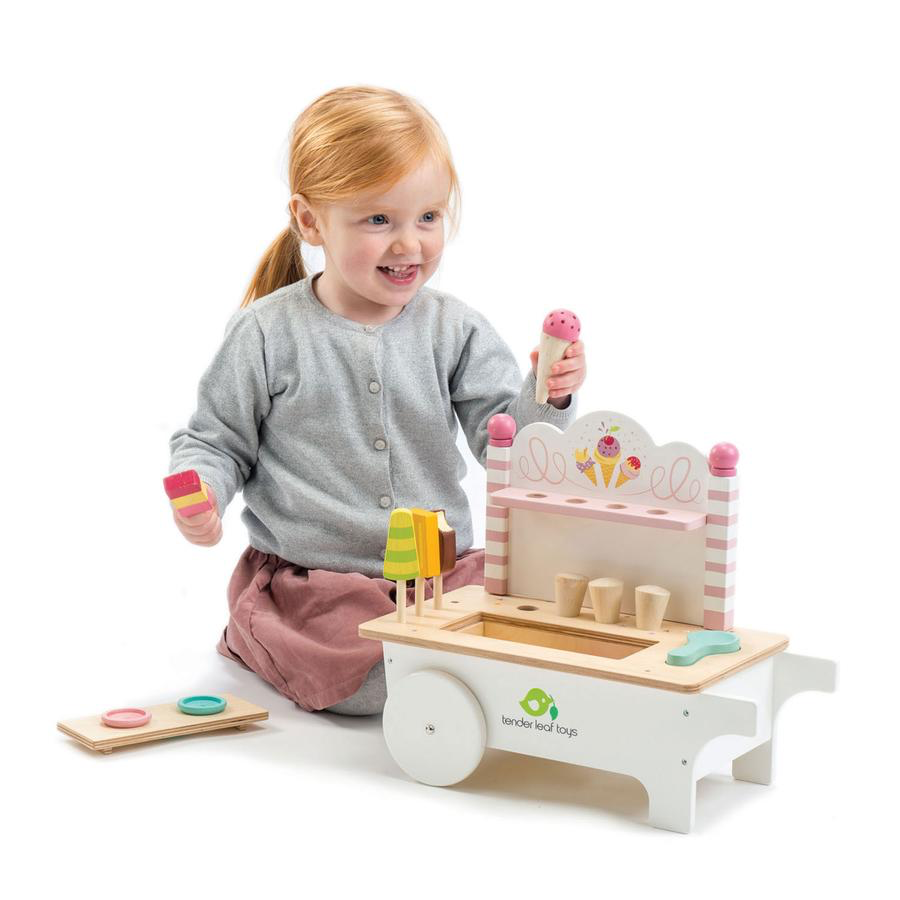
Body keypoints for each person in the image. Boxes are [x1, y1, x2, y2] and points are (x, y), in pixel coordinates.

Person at [168, 85, 587, 716]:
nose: (409, 244)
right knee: (377, 676)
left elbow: (505, 443)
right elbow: (215, 440)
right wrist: (201, 488)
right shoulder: (268, 332)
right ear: (311, 222)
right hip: (319, 585)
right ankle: (264, 634)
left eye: (428, 217)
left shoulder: (455, 328)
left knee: (544, 606)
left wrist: (547, 398)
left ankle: (456, 659)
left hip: (440, 575)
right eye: (378, 220)